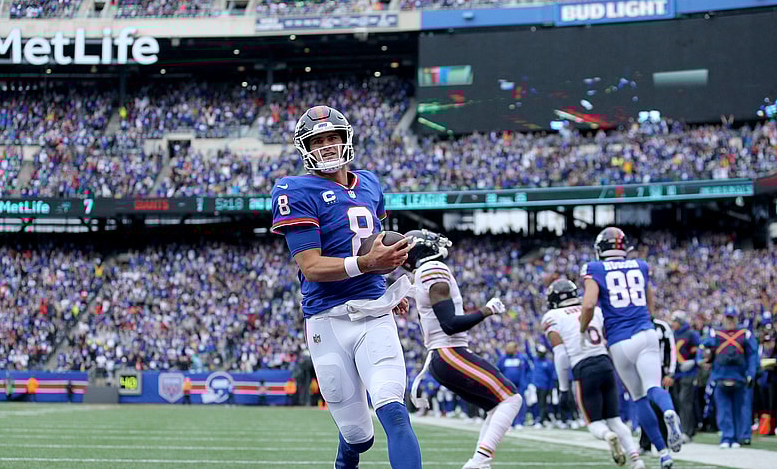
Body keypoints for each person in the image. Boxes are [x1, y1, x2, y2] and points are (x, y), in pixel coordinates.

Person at [270, 105, 421, 469]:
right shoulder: (294, 190)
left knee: (394, 410)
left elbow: (374, 244)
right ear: (305, 147)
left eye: (332, 137)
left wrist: (384, 281)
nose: (326, 146)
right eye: (317, 140)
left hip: (373, 314)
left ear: (346, 139)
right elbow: (311, 266)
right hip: (327, 320)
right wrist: (367, 265)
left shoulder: (369, 182)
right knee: (359, 437)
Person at [404, 229, 521, 469]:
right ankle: (479, 461)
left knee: (496, 406)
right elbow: (449, 325)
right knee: (511, 398)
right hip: (449, 352)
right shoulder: (433, 271)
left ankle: (481, 463)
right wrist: (488, 310)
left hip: (444, 355)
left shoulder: (424, 272)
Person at [580, 227, 683, 469]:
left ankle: (663, 452)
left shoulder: (594, 268)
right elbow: (650, 302)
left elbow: (589, 304)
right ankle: (669, 412)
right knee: (654, 388)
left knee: (638, 398)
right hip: (645, 333)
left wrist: (583, 329)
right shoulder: (641, 265)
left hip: (619, 340)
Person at [541, 278, 644, 469]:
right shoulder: (595, 310)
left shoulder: (552, 316)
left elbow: (562, 355)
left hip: (584, 367)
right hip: (605, 363)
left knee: (594, 423)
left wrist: (564, 388)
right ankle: (636, 459)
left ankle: (608, 436)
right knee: (615, 419)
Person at [702, 306, 757, 448]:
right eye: (728, 318)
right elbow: (704, 347)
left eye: (732, 318)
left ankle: (739, 437)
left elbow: (753, 354)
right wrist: (702, 359)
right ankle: (727, 437)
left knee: (740, 408)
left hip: (739, 376)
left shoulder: (745, 333)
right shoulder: (715, 333)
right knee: (723, 408)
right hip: (720, 376)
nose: (730, 321)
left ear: (736, 318)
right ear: (724, 318)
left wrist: (751, 373)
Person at [640, 317, 676, 453]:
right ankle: (645, 443)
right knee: (643, 404)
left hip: (660, 370)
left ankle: (664, 442)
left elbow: (671, 350)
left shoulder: (661, 326)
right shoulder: (634, 324)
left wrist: (670, 373)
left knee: (659, 408)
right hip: (641, 369)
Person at [670, 310, 700, 443]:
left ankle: (687, 431)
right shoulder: (672, 334)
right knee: (678, 402)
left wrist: (694, 361)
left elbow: (700, 349)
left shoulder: (691, 334)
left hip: (689, 372)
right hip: (676, 372)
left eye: (675, 321)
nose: (673, 324)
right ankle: (683, 429)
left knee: (685, 401)